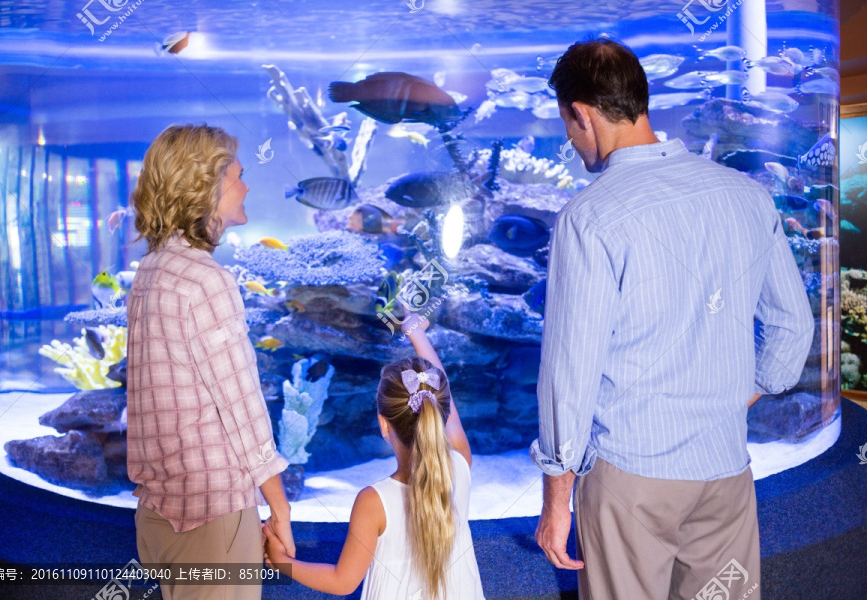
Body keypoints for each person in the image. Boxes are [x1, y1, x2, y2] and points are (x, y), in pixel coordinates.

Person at [531, 39, 813, 600]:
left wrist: (556, 500)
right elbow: (793, 329)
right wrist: (740, 392)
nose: (570, 138)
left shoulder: (589, 217)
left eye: (568, 123)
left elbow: (571, 372)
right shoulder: (747, 196)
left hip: (631, 477)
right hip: (726, 470)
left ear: (581, 113)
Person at [126, 124, 295, 600]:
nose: (246, 186)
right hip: (211, 518)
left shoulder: (152, 269)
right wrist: (278, 508)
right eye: (238, 175)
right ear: (207, 184)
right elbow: (242, 409)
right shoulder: (206, 280)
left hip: (159, 515)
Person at [264, 312, 485, 600]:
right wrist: (417, 333)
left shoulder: (374, 500)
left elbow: (343, 582)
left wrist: (283, 563)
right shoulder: (459, 465)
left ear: (383, 424)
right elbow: (444, 396)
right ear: (438, 413)